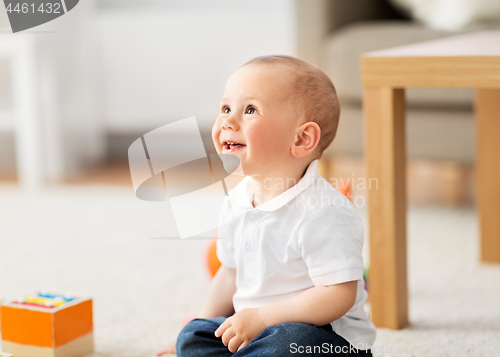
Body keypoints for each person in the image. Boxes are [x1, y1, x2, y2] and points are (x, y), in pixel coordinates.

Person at [157, 55, 375, 356]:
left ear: (302, 139)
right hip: (254, 331)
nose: (227, 121)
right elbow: (228, 275)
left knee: (289, 342)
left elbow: (339, 295)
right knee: (192, 335)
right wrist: (204, 323)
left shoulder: (324, 211)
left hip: (323, 340)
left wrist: (261, 318)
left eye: (250, 110)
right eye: (225, 108)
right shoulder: (237, 200)